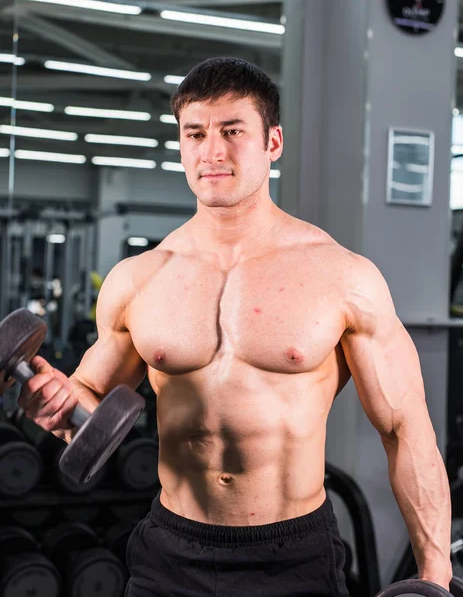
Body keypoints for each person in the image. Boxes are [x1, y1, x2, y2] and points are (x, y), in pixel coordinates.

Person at [19, 57, 451, 596]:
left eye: (232, 131)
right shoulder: (139, 279)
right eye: (195, 133)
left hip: (293, 555)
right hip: (170, 553)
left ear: (273, 142)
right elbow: (86, 408)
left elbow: (405, 428)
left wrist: (435, 575)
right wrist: (56, 403)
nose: (212, 152)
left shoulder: (341, 276)